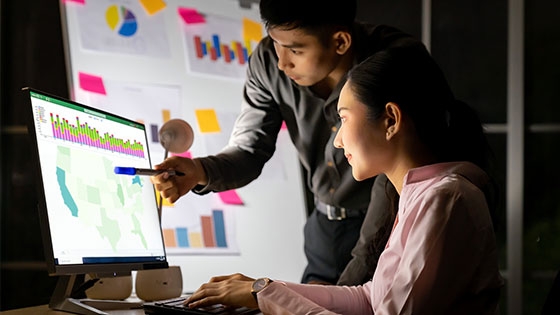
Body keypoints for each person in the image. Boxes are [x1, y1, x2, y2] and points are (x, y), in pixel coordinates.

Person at [182, 46, 505, 314]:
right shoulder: (423, 194)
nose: (337, 142)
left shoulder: (445, 198)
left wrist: (262, 294)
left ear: (390, 120)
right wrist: (266, 288)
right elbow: (369, 298)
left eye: (344, 118)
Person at [152, 0, 422, 285]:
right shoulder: (269, 62)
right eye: (274, 42)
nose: (282, 62)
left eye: (295, 49)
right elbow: (249, 148)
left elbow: (400, 173)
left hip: (390, 223)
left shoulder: (397, 62)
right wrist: (199, 171)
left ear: (340, 42)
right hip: (324, 229)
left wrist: (341, 289)